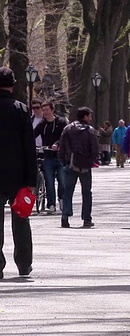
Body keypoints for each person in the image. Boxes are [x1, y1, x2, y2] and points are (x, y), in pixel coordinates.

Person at [0, 66, 37, 279]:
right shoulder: (21, 109)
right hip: (18, 174)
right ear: (13, 85)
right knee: (21, 218)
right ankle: (24, 263)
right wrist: (31, 179)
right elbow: (29, 147)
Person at [58, 107, 99, 228]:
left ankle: (65, 216)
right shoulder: (90, 131)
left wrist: (64, 161)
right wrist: (91, 161)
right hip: (85, 166)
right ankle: (86, 218)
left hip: (70, 164)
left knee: (68, 191)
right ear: (85, 117)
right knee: (86, 192)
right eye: (89, 116)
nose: (90, 118)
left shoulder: (68, 129)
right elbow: (94, 149)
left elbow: (62, 147)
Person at [33, 100, 68, 214]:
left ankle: (62, 199)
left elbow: (64, 136)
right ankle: (51, 204)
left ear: (52, 110)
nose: (45, 112)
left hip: (60, 156)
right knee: (49, 181)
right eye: (43, 110)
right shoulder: (42, 124)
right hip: (48, 156)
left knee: (62, 180)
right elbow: (33, 134)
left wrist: (57, 144)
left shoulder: (61, 122)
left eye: (47, 110)